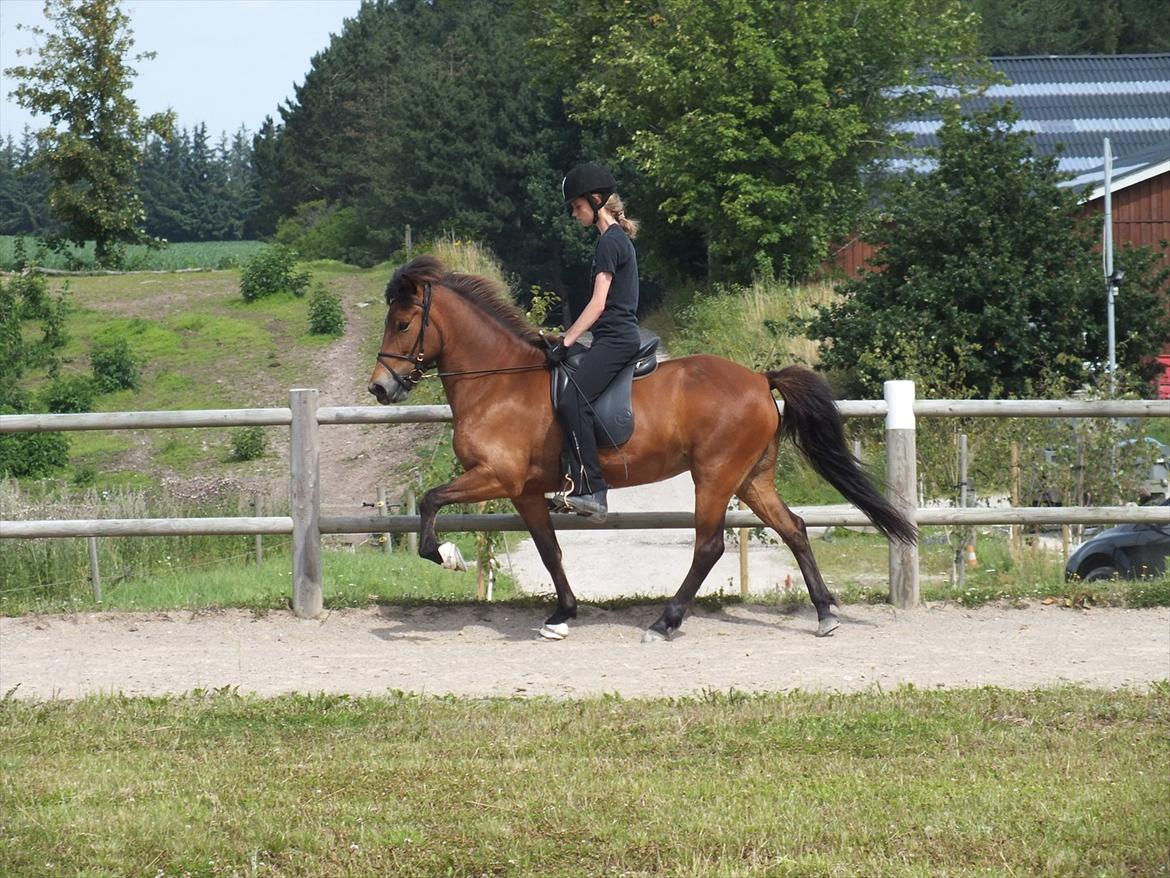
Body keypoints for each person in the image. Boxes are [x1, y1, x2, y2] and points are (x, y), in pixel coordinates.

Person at [545, 162, 641, 521]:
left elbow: (598, 304)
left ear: (596, 200)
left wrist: (566, 341)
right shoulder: (614, 240)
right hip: (611, 337)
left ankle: (594, 490)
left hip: (616, 339)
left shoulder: (609, 243)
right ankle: (570, 481)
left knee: (572, 401)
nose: (575, 214)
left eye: (577, 206)